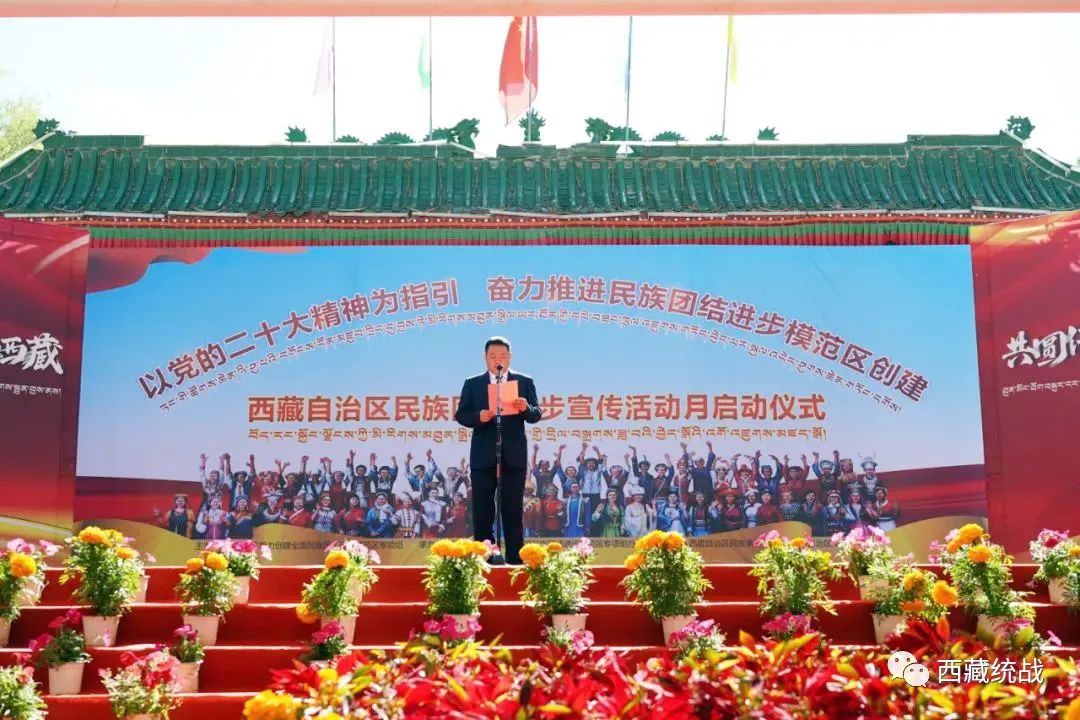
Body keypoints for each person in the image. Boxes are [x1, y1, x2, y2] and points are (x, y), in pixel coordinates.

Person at [453, 337, 543, 565]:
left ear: (510, 357)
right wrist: (478, 416)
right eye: (493, 356)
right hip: (483, 455)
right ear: (485, 357)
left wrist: (525, 407)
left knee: (512, 507)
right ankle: (486, 555)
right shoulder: (473, 383)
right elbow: (461, 414)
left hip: (513, 454)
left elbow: (536, 414)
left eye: (502, 356)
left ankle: (515, 556)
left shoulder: (524, 381)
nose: (497, 361)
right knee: (482, 508)